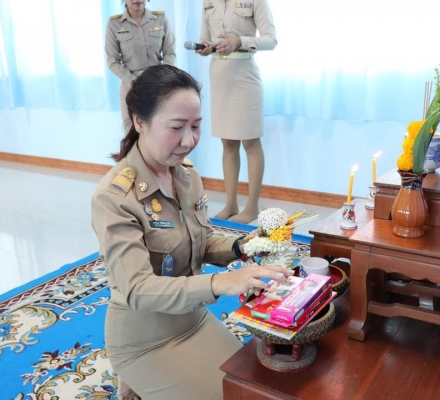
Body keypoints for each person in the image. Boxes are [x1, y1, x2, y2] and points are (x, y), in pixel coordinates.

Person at [91, 65, 293, 400]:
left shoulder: (185, 175)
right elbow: (137, 289)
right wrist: (221, 283)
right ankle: (132, 376)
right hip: (144, 339)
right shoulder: (115, 198)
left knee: (256, 388)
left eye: (196, 126)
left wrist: (243, 246)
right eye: (176, 127)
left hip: (192, 319)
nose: (189, 141)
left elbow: (199, 240)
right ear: (139, 121)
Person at [196, 0, 277, 223]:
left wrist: (239, 41)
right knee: (228, 144)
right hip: (220, 76)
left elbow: (271, 40)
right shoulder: (207, 1)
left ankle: (252, 207)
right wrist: (205, 46)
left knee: (251, 142)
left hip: (245, 76)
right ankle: (230, 203)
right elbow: (206, 38)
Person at [105, 0, 176, 134]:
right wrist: (134, 82)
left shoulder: (160, 18)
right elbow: (112, 60)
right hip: (131, 87)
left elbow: (170, 52)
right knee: (132, 132)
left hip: (158, 86)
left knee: (160, 132)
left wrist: (161, 78)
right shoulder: (114, 23)